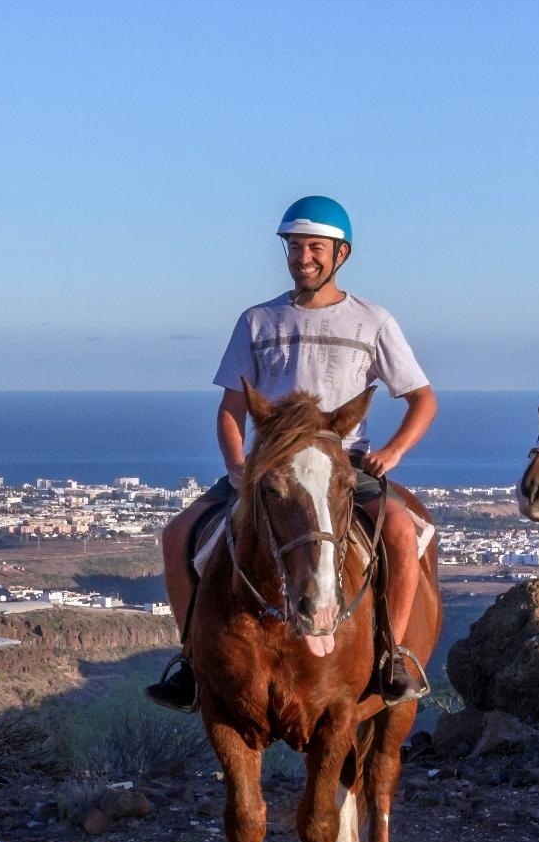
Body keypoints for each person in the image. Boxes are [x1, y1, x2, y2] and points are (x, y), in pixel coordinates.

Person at [147, 195, 438, 710]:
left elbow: (422, 398)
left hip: (341, 467)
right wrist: (239, 467)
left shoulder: (372, 321)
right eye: (295, 247)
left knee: (398, 529)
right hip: (271, 469)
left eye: (315, 247)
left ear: (340, 253)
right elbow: (230, 409)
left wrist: (391, 453)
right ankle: (192, 661)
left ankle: (392, 656)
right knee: (176, 536)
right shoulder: (257, 321)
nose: (303, 257)